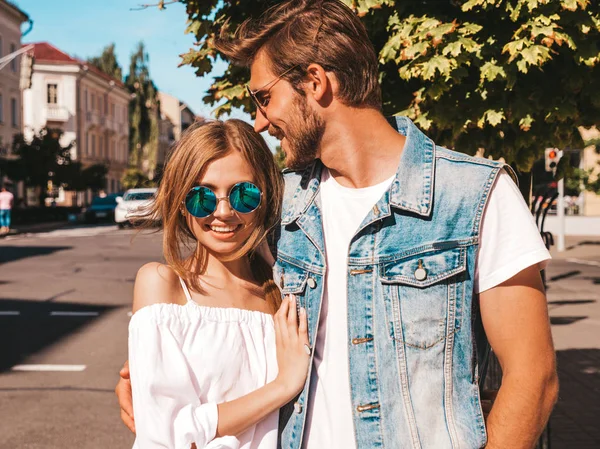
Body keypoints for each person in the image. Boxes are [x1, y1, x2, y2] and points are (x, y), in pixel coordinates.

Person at [117, 1, 558, 448]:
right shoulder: (279, 207)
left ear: (315, 82)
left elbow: (533, 377)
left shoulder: (474, 196)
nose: (260, 121)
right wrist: (154, 381)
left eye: (264, 97)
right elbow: (217, 310)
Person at [126, 119, 310, 448]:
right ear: (181, 203)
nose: (223, 211)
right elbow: (169, 432)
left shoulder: (285, 290)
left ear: (264, 199)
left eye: (244, 194)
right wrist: (283, 386)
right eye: (202, 197)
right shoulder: (163, 285)